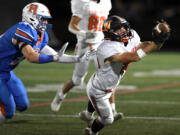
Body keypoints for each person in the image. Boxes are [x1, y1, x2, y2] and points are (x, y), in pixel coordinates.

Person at [0, 2, 90, 126]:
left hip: (6, 71)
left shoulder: (40, 35)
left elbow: (57, 56)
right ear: (31, 17)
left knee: (23, 104)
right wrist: (53, 58)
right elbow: (31, 57)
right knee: (8, 112)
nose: (45, 23)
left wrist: (78, 59)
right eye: (43, 19)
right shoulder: (23, 29)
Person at [79, 15, 170, 135]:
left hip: (108, 84)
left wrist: (160, 40)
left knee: (103, 105)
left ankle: (88, 115)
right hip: (98, 90)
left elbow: (148, 46)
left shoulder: (131, 36)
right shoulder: (106, 48)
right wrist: (155, 43)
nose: (123, 30)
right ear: (110, 33)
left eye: (123, 27)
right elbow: (134, 57)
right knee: (108, 119)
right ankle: (92, 133)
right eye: (118, 29)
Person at [51, 0, 120, 116]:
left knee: (109, 76)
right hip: (85, 45)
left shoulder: (106, 3)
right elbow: (71, 26)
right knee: (77, 80)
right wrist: (84, 33)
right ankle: (60, 96)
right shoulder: (84, 4)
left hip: (100, 44)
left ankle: (113, 110)